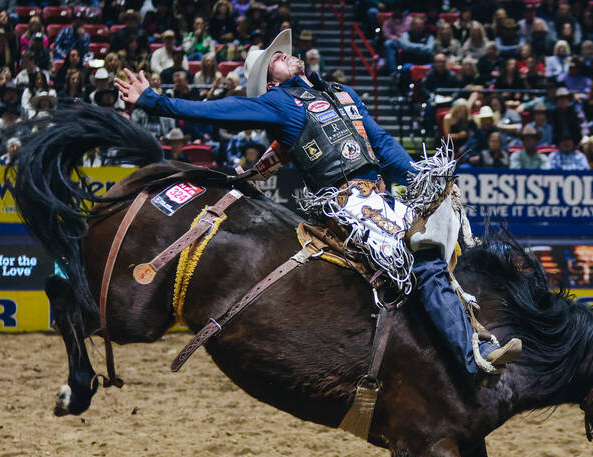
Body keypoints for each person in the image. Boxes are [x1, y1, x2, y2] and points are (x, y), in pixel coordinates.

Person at [116, 30, 520, 376]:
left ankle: (458, 338)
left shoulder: (342, 95)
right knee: (426, 259)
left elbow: (380, 144)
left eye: (284, 52)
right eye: (276, 58)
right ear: (269, 83)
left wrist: (418, 178)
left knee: (445, 253)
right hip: (350, 206)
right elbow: (218, 112)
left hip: (381, 198)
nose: (286, 55)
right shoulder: (278, 104)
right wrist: (154, 100)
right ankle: (472, 354)